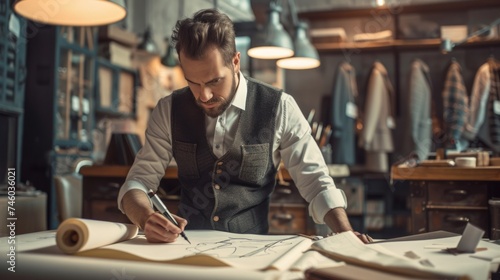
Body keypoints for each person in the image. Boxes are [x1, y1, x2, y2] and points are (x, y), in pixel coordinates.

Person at [117, 8, 370, 244]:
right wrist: (145, 217)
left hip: (253, 252)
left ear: (236, 62)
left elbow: (316, 182)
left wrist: (346, 235)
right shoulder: (169, 109)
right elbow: (138, 182)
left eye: (214, 81)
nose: (203, 95)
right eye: (193, 82)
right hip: (187, 249)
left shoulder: (279, 107)